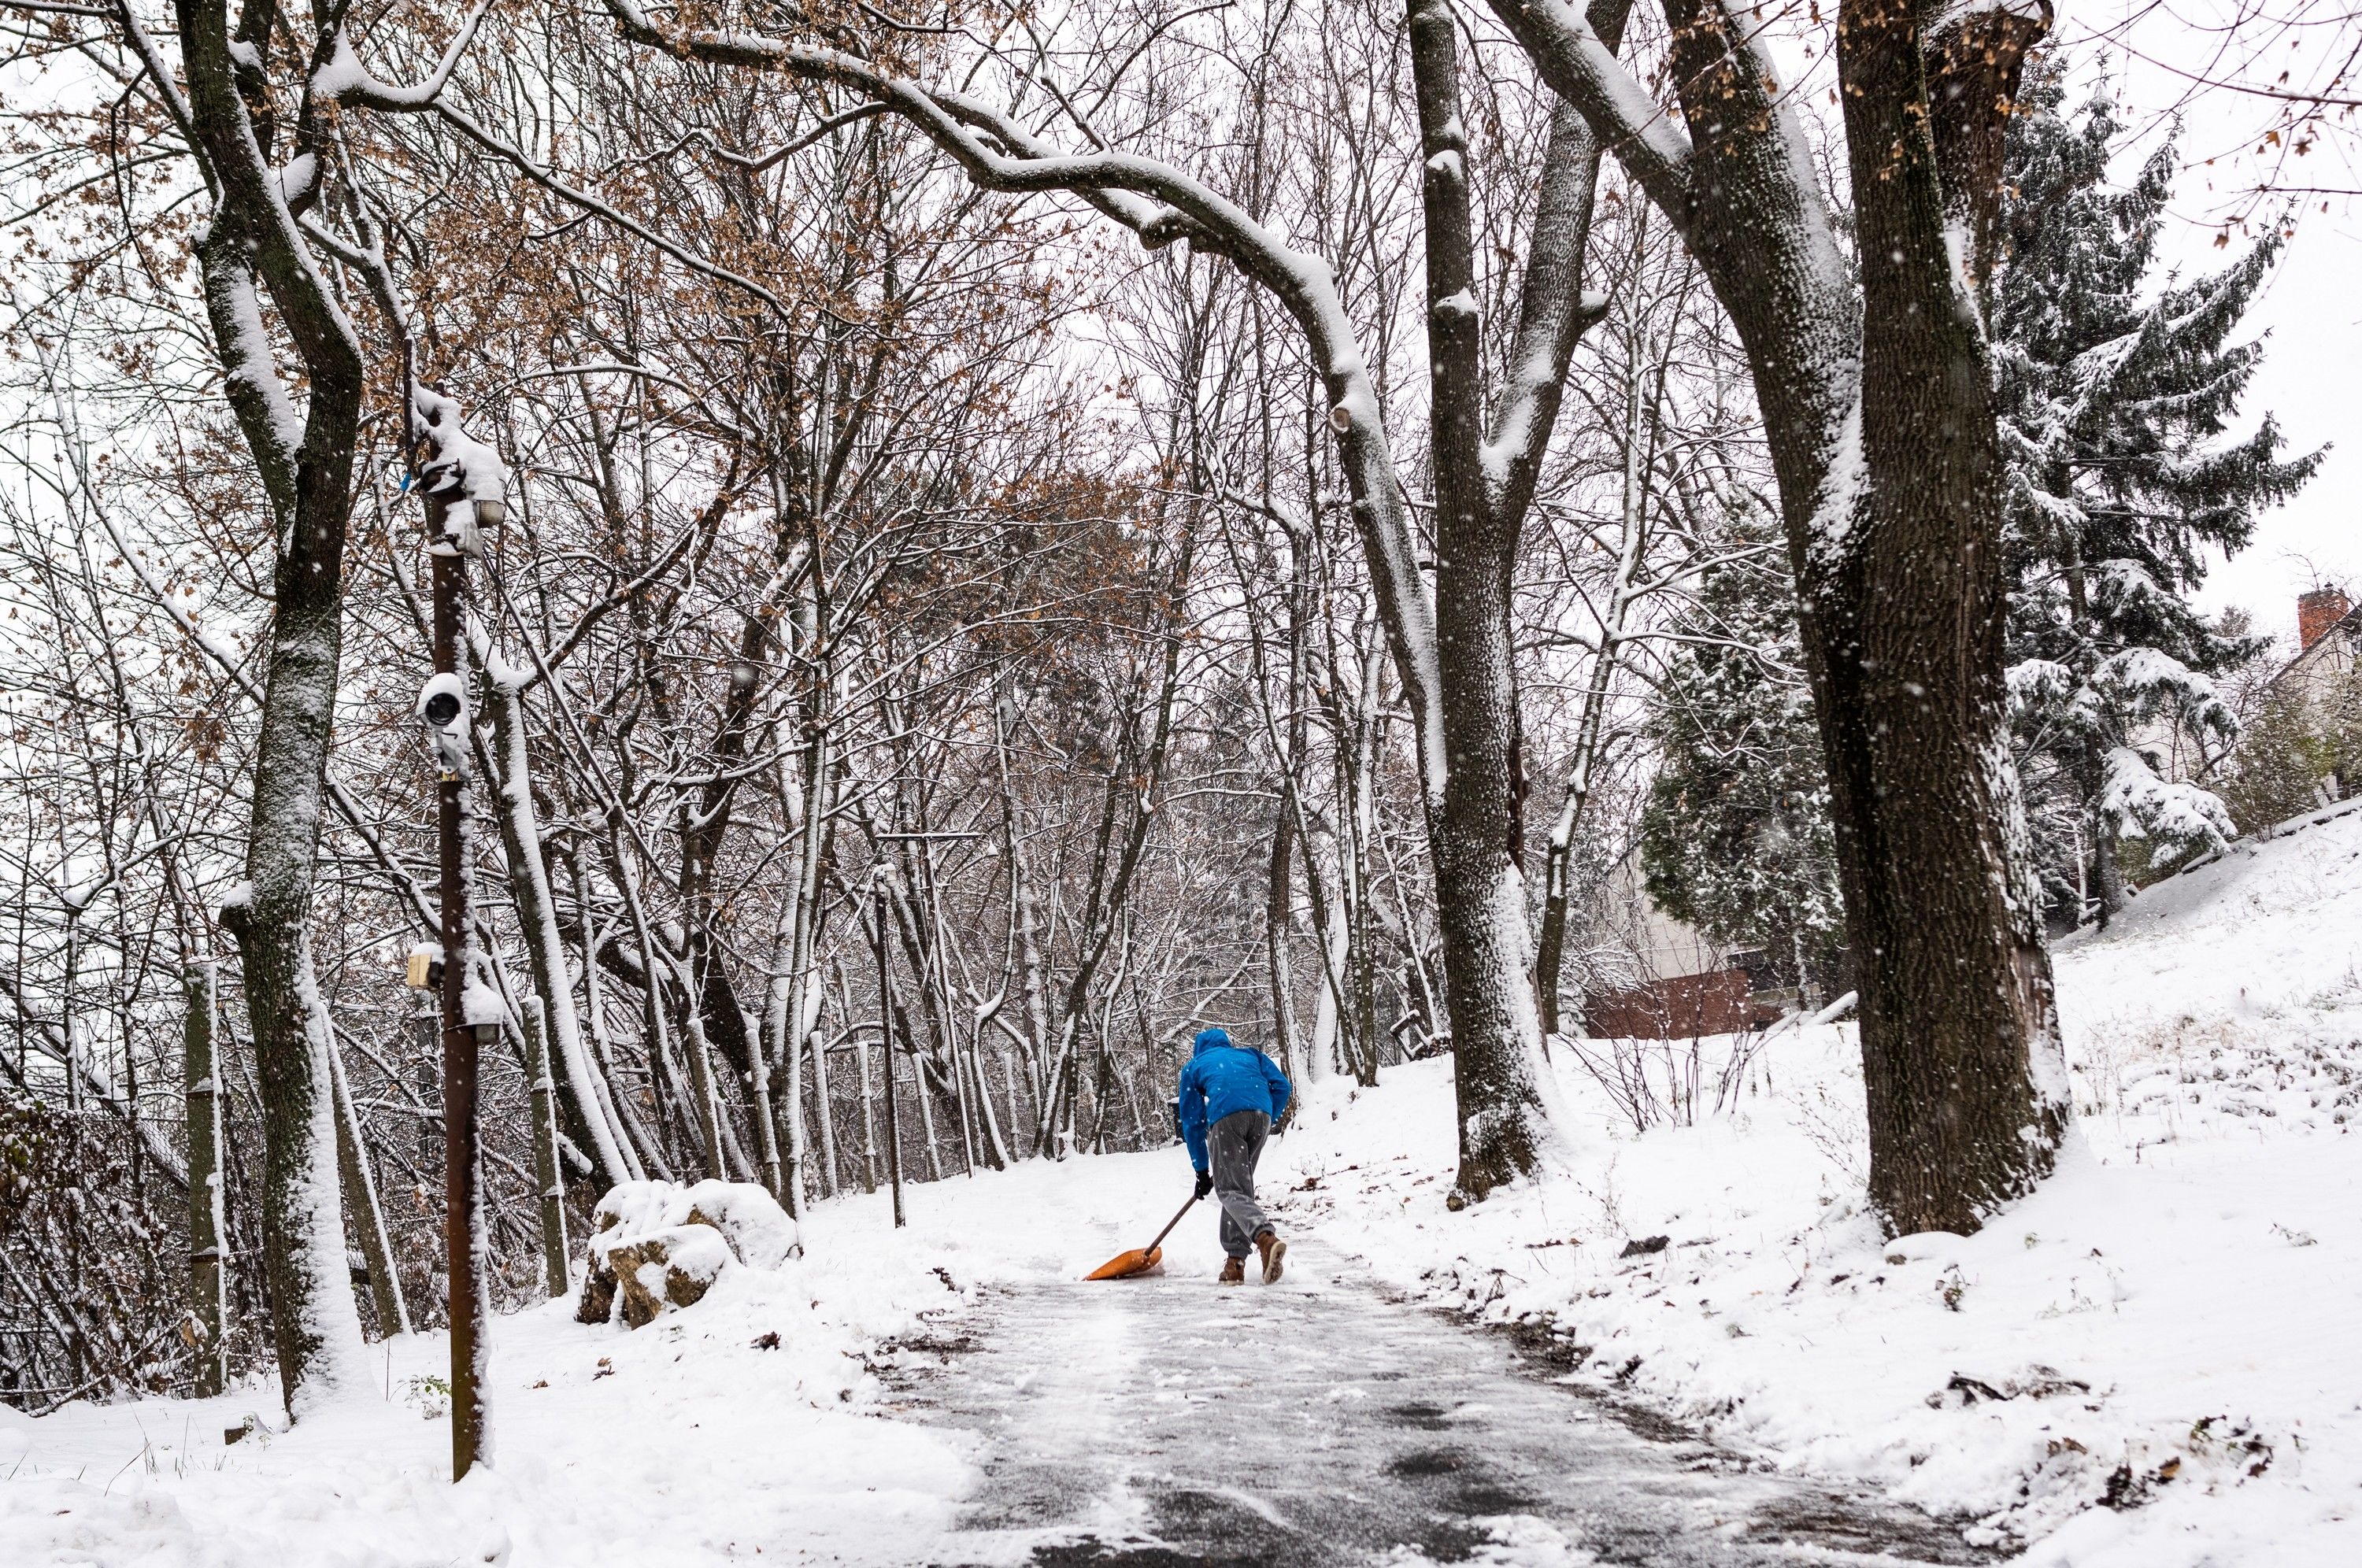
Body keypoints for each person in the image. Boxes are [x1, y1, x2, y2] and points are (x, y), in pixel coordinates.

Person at [1176, 1026, 1293, 1285]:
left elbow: (1192, 1122)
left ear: (1199, 1050)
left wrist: (1201, 1170)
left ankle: (1264, 1237)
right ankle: (1235, 1263)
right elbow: (1283, 1086)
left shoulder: (1195, 1066)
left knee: (1230, 1191)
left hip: (1227, 1117)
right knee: (1240, 1189)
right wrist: (1267, 1115)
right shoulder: (1250, 1055)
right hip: (1261, 1116)